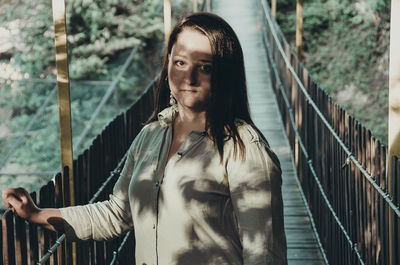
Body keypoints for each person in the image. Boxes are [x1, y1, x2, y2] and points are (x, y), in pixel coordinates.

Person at [2, 12, 287, 265]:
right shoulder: (152, 135)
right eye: (180, 62)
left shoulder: (244, 151)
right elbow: (117, 213)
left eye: (205, 67)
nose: (188, 77)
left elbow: (264, 253)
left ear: (225, 74)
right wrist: (36, 214)